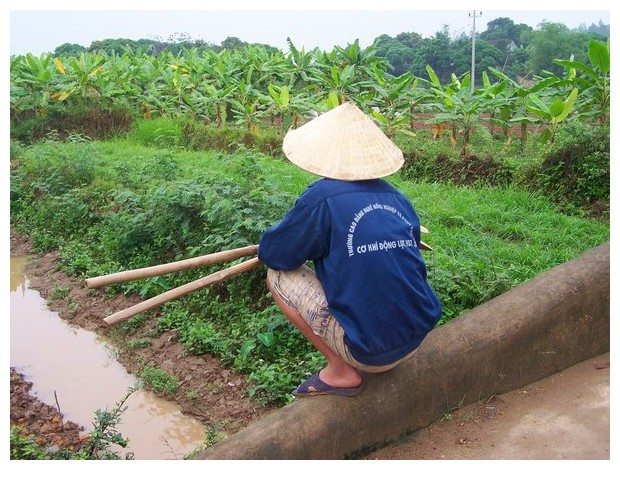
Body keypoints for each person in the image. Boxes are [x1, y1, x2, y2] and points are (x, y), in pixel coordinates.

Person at [258, 102, 442, 397]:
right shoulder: (397, 198)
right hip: (417, 336)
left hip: (369, 353)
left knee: (277, 276)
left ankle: (341, 371)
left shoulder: (321, 197)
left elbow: (274, 254)